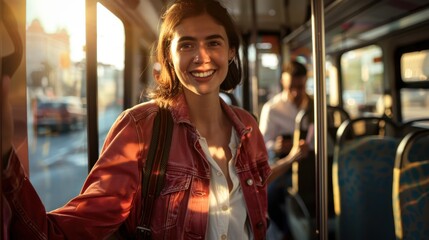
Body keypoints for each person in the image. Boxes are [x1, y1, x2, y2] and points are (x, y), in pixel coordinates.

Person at [2, 0, 308, 239]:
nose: (202, 56)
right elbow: (60, 233)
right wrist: (5, 157)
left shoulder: (248, 128)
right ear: (169, 57)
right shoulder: (140, 129)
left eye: (213, 42)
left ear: (230, 51)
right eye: (186, 44)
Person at [259, 60, 314, 239]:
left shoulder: (315, 105)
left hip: (312, 161)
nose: (297, 92)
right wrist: (277, 146)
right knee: (270, 195)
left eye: (301, 86)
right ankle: (286, 231)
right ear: (283, 83)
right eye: (292, 87)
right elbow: (263, 144)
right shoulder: (272, 109)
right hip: (283, 163)